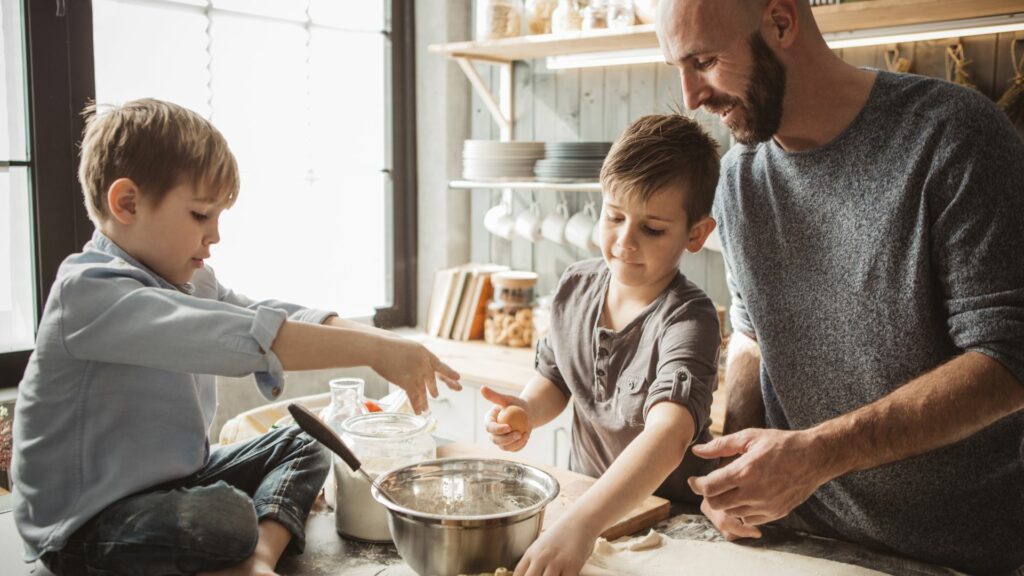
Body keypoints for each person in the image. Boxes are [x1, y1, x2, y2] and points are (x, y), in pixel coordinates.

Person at [12, 98, 461, 576]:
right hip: (84, 525)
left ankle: (258, 560)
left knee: (309, 439)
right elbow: (244, 337)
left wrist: (385, 344)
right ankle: (249, 536)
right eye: (201, 215)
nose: (215, 236)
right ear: (127, 203)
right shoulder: (89, 293)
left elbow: (268, 315)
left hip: (177, 481)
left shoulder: (188, 280)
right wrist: (374, 351)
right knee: (226, 515)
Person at [656, 1, 1024, 574]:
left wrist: (820, 454)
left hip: (958, 552)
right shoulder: (738, 179)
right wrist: (732, 479)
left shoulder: (953, 135)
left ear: (781, 23)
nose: (691, 97)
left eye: (704, 61)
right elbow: (753, 336)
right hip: (803, 541)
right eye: (678, 68)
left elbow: (1009, 357)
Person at [482, 113, 722, 576]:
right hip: (586, 504)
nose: (625, 241)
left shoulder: (689, 318)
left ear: (696, 234)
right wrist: (526, 411)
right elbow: (555, 378)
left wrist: (582, 524)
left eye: (652, 229)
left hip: (668, 527)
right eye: (614, 217)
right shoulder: (575, 285)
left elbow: (668, 435)